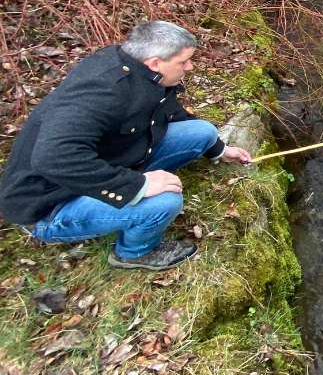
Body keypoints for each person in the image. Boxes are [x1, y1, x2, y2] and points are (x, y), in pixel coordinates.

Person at [0, 21, 253, 271]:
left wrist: (220, 150)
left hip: (107, 160)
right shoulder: (101, 92)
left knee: (204, 131)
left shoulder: (141, 70)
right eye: (183, 61)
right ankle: (133, 254)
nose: (190, 66)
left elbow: (165, 110)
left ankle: (135, 201)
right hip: (53, 203)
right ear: (155, 62)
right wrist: (136, 186)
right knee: (164, 202)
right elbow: (51, 158)